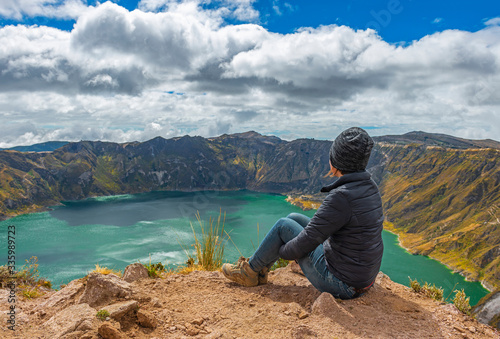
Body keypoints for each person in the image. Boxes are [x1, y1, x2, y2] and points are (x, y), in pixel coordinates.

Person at [222, 127, 384, 299]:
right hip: (362, 277)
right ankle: (260, 271)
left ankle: (248, 273)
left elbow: (306, 241)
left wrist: (283, 250)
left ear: (336, 160)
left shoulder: (341, 196)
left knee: (283, 226)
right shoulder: (368, 185)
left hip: (342, 284)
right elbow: (319, 231)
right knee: (293, 218)